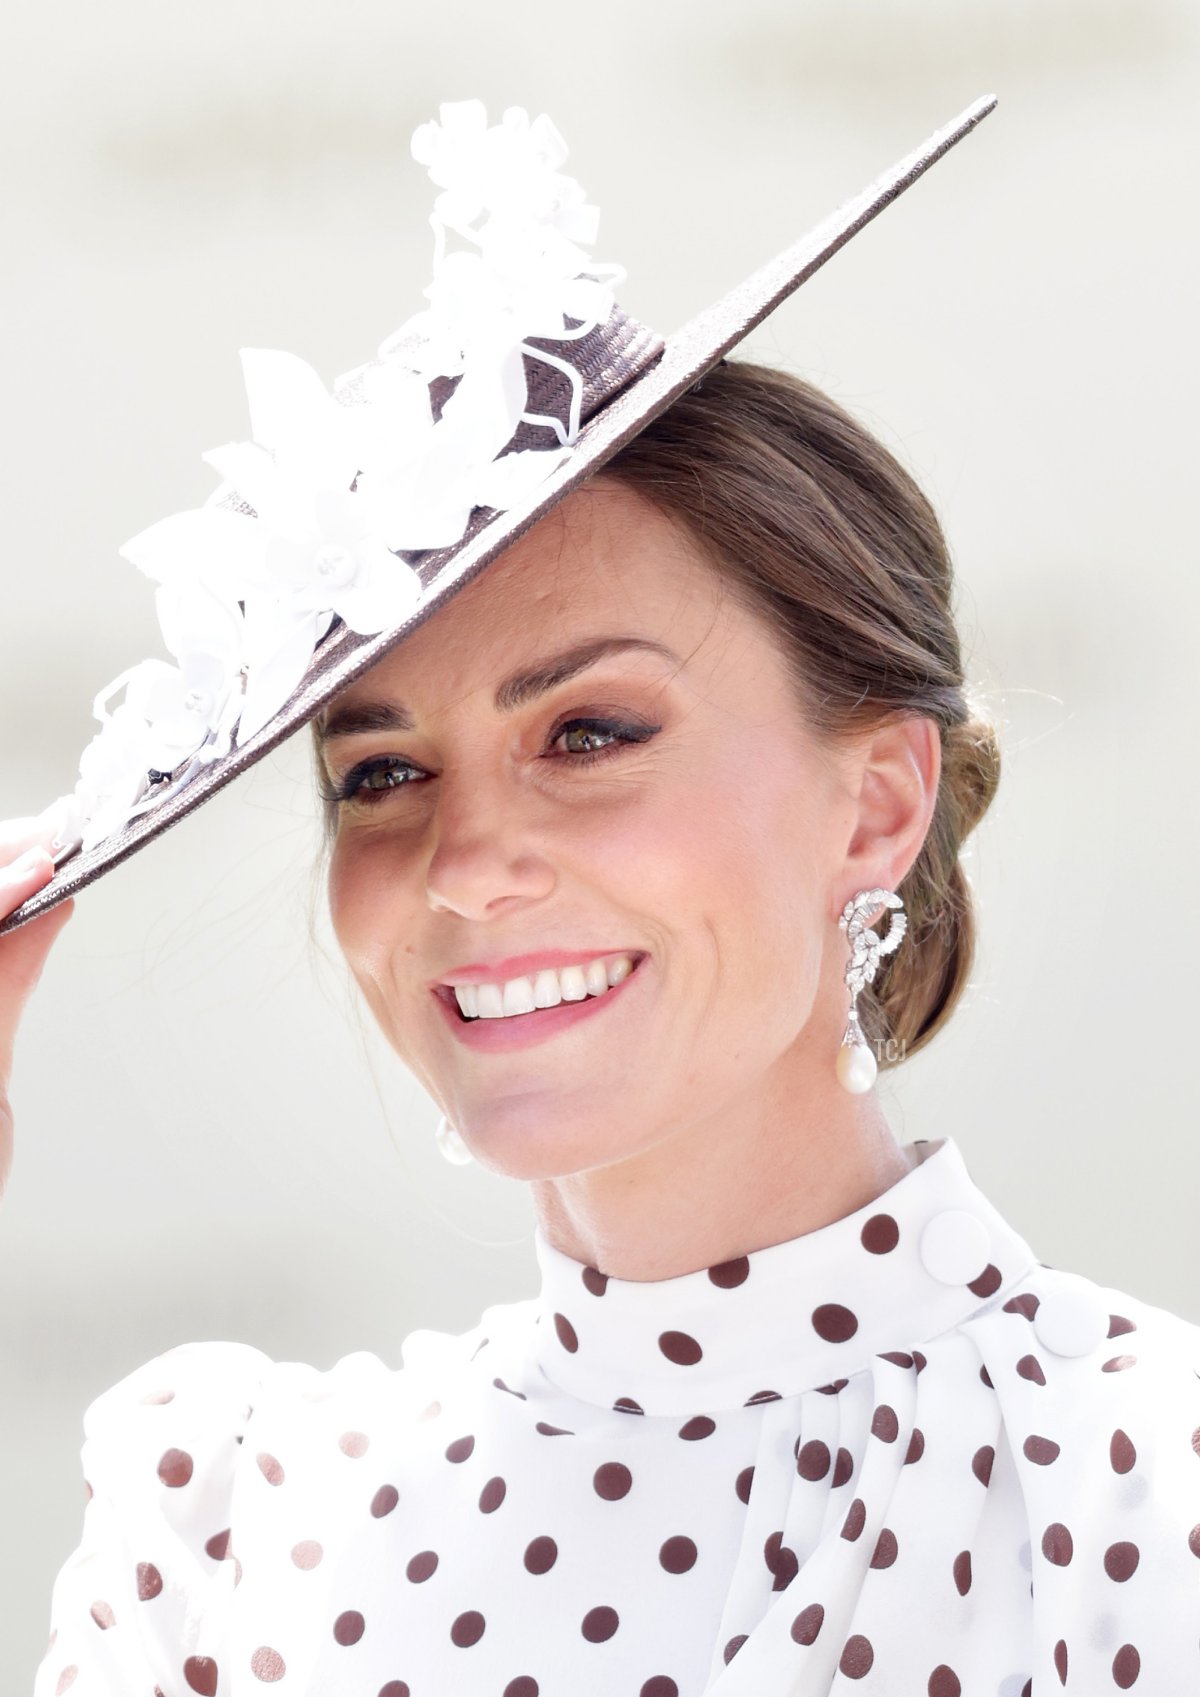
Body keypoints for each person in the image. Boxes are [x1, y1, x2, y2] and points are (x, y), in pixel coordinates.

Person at [5, 104, 1199, 1697]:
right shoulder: (233, 1522)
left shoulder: (1137, 1487)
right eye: (380, 773)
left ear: (880, 799)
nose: (465, 861)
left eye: (589, 732)